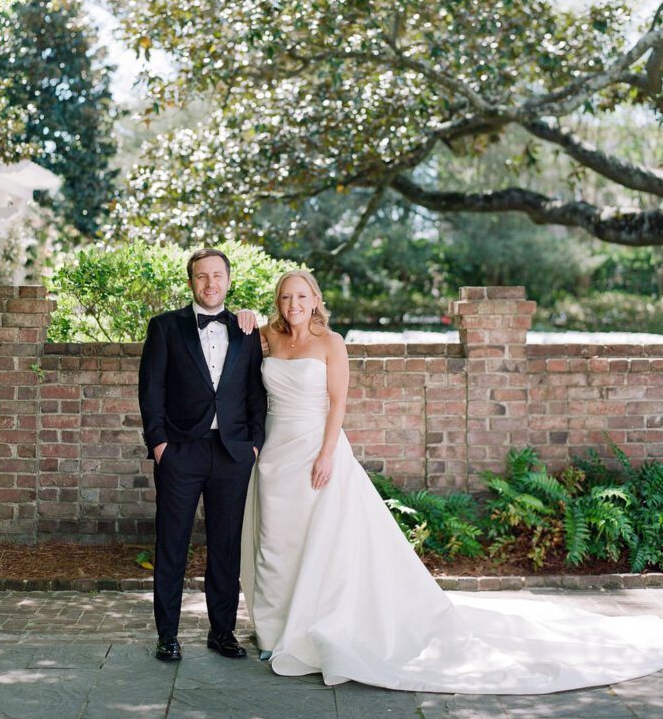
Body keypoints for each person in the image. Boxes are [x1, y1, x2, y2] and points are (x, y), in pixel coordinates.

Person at [239, 269, 663, 694]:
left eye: (300, 296)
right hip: (277, 453)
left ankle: (309, 629)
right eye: (285, 298)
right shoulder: (270, 338)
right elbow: (232, 332)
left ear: (315, 299)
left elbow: (338, 404)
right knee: (277, 542)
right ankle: (274, 633)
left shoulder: (331, 344)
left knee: (322, 545)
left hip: (317, 450)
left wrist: (327, 455)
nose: (292, 305)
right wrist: (241, 313)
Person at [138, 248, 266, 663]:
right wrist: (160, 446)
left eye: (217, 275)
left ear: (229, 280)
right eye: (201, 276)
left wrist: (254, 443)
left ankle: (222, 632)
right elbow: (151, 391)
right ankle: (167, 635)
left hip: (232, 453)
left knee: (226, 546)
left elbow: (254, 392)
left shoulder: (247, 331)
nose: (210, 283)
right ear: (191, 282)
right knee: (172, 543)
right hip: (181, 452)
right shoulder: (164, 328)